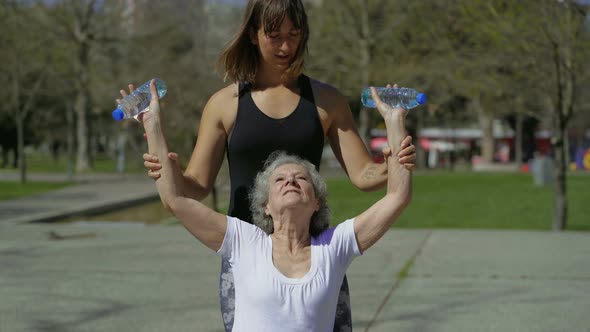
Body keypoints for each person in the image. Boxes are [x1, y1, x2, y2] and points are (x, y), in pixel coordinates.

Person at [120, 1, 416, 330]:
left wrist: (392, 166)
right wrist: (171, 172)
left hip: (311, 250)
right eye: (274, 35)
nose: (286, 46)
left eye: (294, 34)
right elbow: (196, 186)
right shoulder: (224, 105)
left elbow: (364, 175)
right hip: (245, 254)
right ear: (252, 33)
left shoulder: (326, 100)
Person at [140, 79, 412, 331]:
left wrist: (395, 121)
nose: (290, 181)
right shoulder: (244, 242)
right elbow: (175, 200)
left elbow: (397, 196)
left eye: (301, 178)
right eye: (279, 179)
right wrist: (152, 124)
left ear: (317, 201)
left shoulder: (333, 246)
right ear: (265, 205)